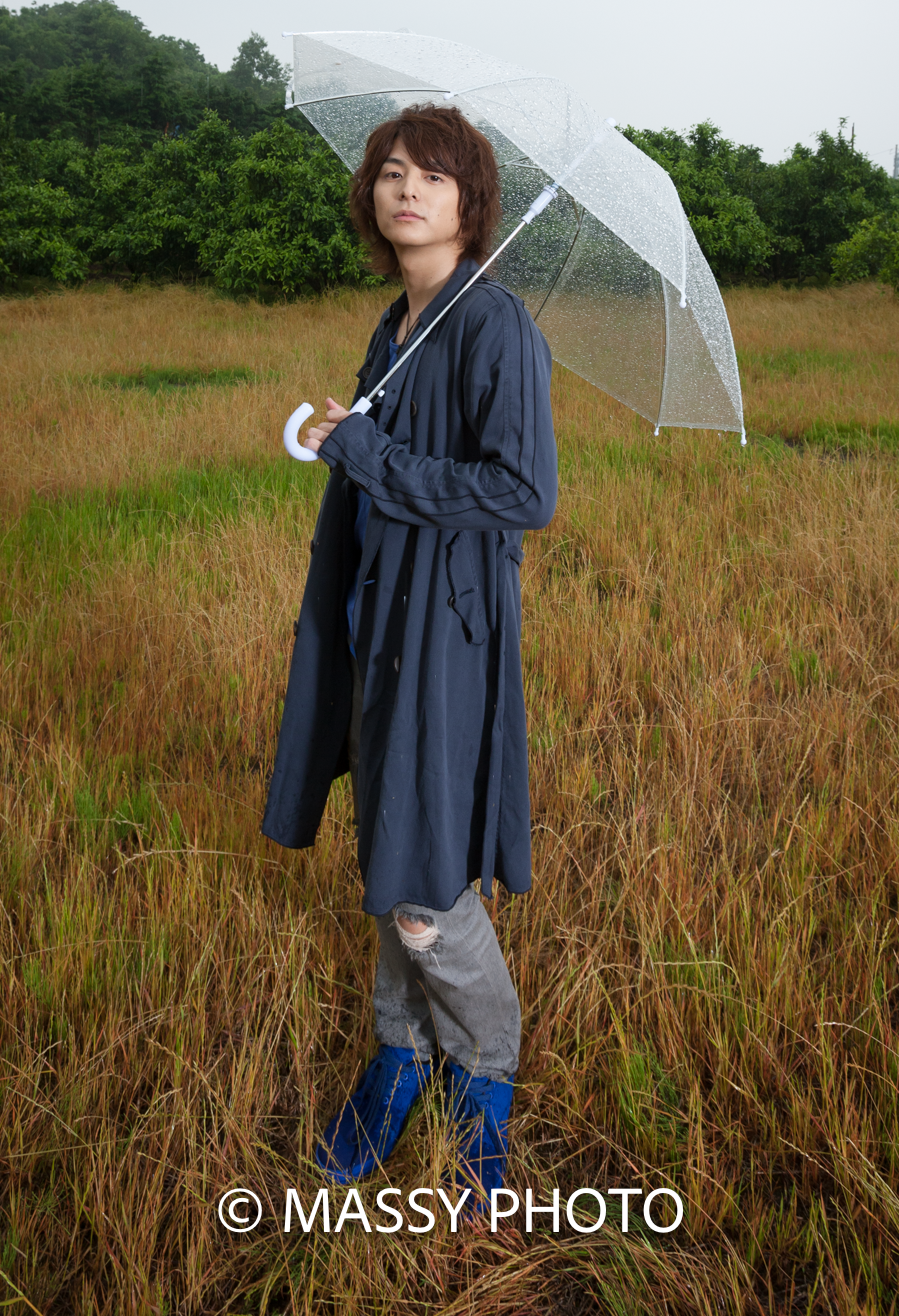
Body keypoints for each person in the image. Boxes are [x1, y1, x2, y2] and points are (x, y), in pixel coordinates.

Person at [261, 103, 558, 1201]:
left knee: (427, 885)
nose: (407, 190)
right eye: (391, 172)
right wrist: (344, 437)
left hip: (443, 631)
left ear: (470, 202)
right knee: (390, 839)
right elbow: (384, 452)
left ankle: (482, 1071)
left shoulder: (493, 325)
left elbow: (523, 492)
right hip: (375, 620)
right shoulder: (399, 321)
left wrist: (375, 456)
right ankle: (400, 1055)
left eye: (433, 176)